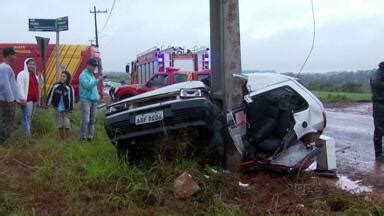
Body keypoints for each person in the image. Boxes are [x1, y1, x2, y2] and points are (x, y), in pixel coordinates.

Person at [0, 47, 26, 144]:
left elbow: (13, 85)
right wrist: (11, 100)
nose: (16, 57)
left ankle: (4, 141)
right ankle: (4, 142)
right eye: (14, 55)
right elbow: (6, 85)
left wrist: (19, 98)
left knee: (6, 121)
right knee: (6, 121)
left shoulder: (5, 67)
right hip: (6, 100)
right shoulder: (4, 68)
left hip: (5, 100)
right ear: (9, 55)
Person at [17, 58, 43, 138]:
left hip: (34, 99)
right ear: (26, 64)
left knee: (30, 117)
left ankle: (27, 135)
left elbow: (40, 85)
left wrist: (39, 76)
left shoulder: (34, 75)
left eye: (33, 64)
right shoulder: (22, 74)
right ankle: (26, 137)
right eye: (30, 64)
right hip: (26, 100)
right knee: (26, 118)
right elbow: (19, 86)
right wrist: (22, 98)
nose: (32, 66)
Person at [46, 71, 75, 140]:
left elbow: (71, 98)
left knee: (66, 123)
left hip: (66, 109)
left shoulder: (69, 87)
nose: (62, 77)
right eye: (61, 76)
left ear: (67, 78)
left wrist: (71, 108)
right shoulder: (56, 85)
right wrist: (48, 104)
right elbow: (51, 95)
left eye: (64, 76)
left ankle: (68, 138)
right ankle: (62, 139)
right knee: (59, 124)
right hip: (57, 108)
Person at [79, 58, 102, 142]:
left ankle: (90, 137)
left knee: (92, 120)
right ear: (88, 65)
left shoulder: (92, 75)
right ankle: (82, 137)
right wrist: (97, 80)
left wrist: (98, 96)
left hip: (94, 100)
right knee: (86, 120)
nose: (94, 68)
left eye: (95, 66)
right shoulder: (83, 75)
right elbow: (88, 86)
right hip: (86, 100)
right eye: (93, 66)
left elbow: (94, 88)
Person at [370, 61, 384, 162]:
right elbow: (375, 82)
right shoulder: (379, 72)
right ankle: (378, 155)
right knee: (379, 129)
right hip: (379, 104)